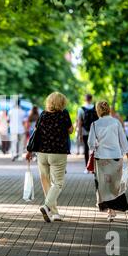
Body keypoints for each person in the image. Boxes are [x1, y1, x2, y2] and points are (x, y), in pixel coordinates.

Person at [26, 92, 74, 222]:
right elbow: (71, 130)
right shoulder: (64, 114)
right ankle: (47, 206)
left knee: (46, 182)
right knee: (57, 183)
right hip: (58, 153)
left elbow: (36, 132)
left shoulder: (43, 115)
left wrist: (29, 150)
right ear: (62, 103)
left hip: (42, 153)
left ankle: (55, 213)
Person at [88, 101, 128, 222]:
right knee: (114, 184)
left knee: (103, 185)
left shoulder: (94, 124)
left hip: (101, 158)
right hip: (116, 157)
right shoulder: (116, 122)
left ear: (98, 110)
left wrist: (96, 146)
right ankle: (112, 210)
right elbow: (123, 140)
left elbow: (90, 144)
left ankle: (109, 210)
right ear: (108, 109)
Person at [77, 94, 98, 173]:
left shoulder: (81, 109)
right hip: (94, 131)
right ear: (91, 99)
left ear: (85, 99)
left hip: (85, 132)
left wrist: (80, 134)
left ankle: (87, 168)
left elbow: (79, 122)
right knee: (94, 150)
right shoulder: (95, 108)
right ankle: (94, 168)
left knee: (86, 149)